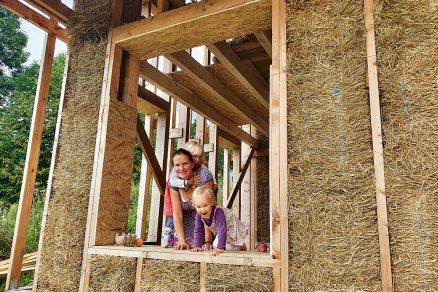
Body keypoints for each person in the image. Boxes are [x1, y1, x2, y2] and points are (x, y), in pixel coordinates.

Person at [169, 149, 214, 250]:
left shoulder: (204, 176)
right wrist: (182, 242)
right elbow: (177, 213)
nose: (181, 168)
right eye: (177, 165)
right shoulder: (173, 182)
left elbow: (208, 211)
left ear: (192, 164)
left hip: (205, 226)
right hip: (184, 229)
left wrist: (208, 241)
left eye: (185, 164)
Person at [191, 187, 248, 256]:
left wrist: (220, 247)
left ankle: (243, 249)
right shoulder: (198, 215)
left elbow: (222, 229)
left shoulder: (218, 212)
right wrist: (197, 246)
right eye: (199, 207)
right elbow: (198, 230)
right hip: (222, 228)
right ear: (194, 206)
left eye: (205, 205)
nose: (202, 210)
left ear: (212, 202)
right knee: (217, 245)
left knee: (234, 241)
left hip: (231, 224)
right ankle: (240, 247)